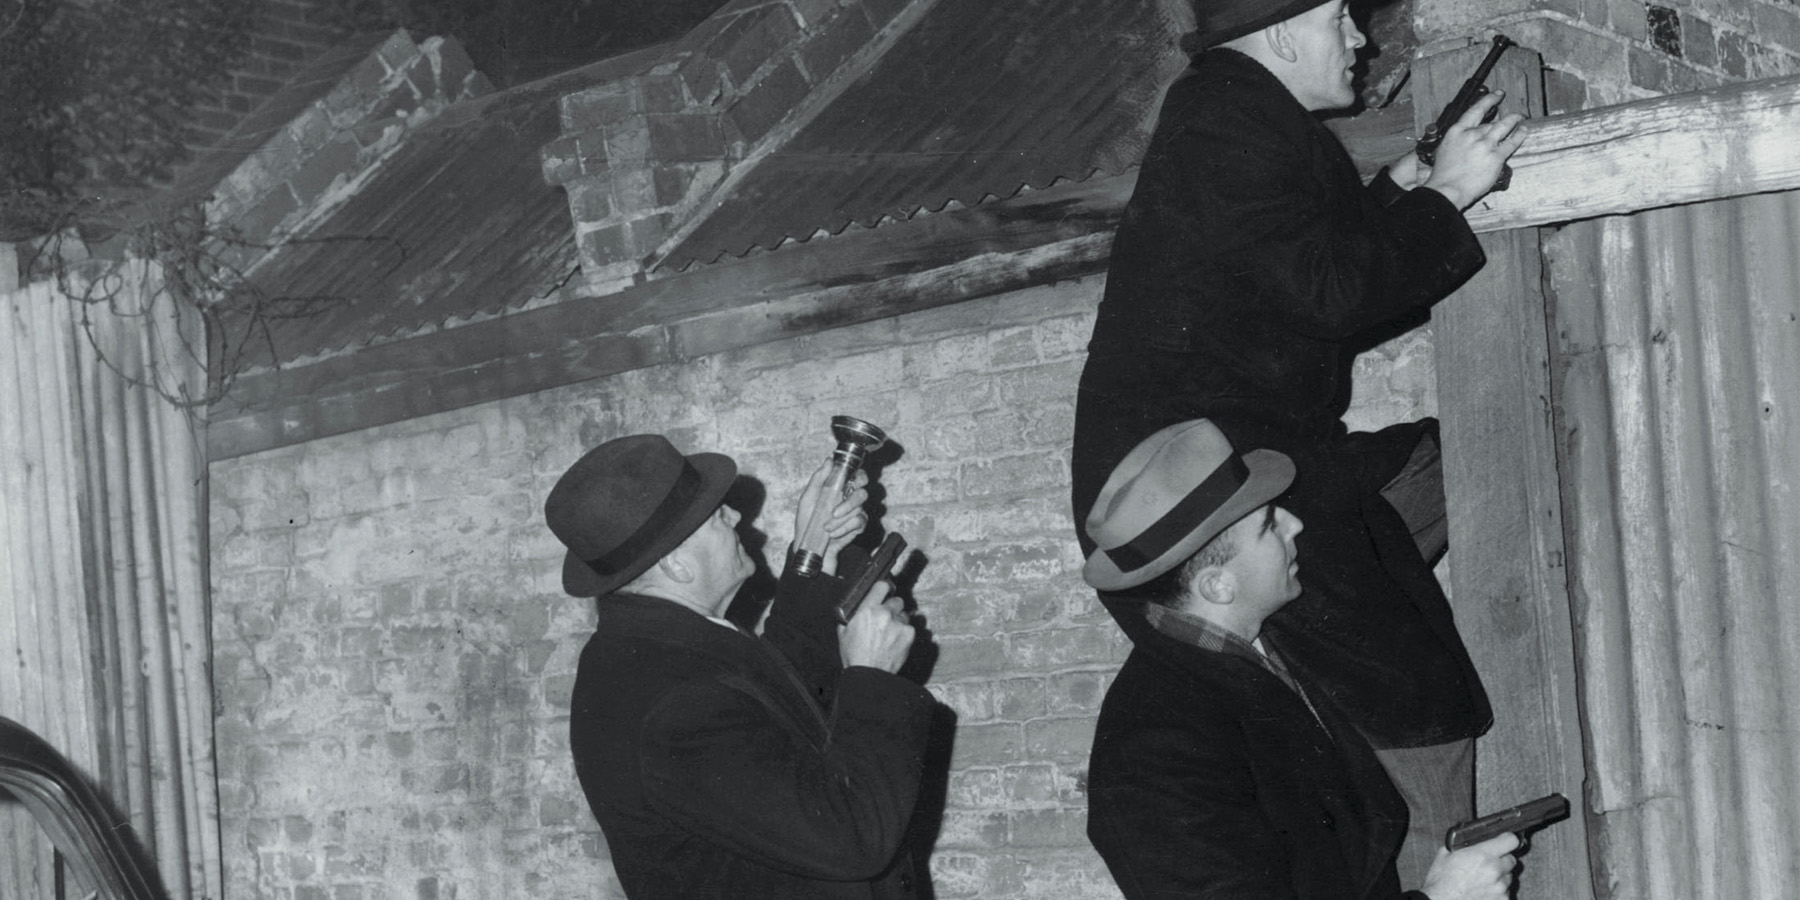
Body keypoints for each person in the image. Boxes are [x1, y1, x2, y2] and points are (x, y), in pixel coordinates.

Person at [1070, 0, 1527, 882]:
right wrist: (1449, 194)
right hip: (1206, 486)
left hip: (1251, 458)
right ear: (1282, 34)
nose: (1359, 39)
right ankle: (1435, 860)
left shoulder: (1235, 116)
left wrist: (1403, 183)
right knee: (1414, 693)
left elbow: (1294, 263)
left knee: (1448, 465)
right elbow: (1331, 295)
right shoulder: (1227, 124)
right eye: (1340, 21)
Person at [1082, 418, 1520, 900]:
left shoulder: (1252, 652)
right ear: (1218, 586)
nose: (1296, 524)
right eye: (1270, 525)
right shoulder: (1152, 755)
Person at [544, 434, 930, 900]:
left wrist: (815, 550)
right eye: (714, 516)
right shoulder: (673, 705)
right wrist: (872, 678)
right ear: (677, 566)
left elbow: (775, 705)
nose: (735, 515)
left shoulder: (656, 649)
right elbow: (850, 837)